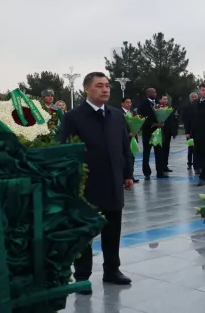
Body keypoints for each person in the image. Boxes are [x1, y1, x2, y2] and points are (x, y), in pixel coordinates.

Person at [58, 72, 134, 294]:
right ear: (86, 89)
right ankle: (82, 276)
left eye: (107, 85)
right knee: (85, 232)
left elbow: (124, 148)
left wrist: (127, 174)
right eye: (99, 86)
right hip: (87, 185)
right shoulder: (73, 117)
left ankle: (112, 270)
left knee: (113, 229)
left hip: (113, 181)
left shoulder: (117, 115)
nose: (105, 90)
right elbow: (65, 150)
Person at [187, 84, 205, 183]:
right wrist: (188, 131)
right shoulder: (196, 103)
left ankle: (204, 176)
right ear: (199, 91)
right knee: (198, 154)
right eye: (202, 90)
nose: (204, 92)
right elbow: (191, 118)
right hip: (196, 133)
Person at [137, 88, 165, 180]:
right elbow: (141, 118)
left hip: (157, 132)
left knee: (159, 152)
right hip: (148, 132)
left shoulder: (158, 103)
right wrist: (153, 124)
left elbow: (162, 114)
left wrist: (162, 122)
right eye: (152, 92)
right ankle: (147, 173)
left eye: (155, 92)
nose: (154, 93)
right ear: (148, 93)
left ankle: (160, 172)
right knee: (146, 153)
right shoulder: (142, 104)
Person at [159, 95, 178, 173]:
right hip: (160, 132)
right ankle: (160, 166)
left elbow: (173, 121)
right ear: (160, 100)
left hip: (168, 132)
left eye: (166, 99)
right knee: (160, 150)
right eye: (164, 99)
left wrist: (174, 132)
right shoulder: (158, 108)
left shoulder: (170, 109)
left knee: (166, 149)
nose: (165, 100)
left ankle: (165, 165)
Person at [182, 92, 198, 169]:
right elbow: (185, 121)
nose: (194, 98)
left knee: (197, 148)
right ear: (190, 98)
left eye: (195, 97)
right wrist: (187, 132)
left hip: (198, 131)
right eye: (193, 97)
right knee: (190, 147)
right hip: (190, 131)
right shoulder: (186, 108)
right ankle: (189, 162)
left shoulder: (199, 106)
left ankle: (197, 163)